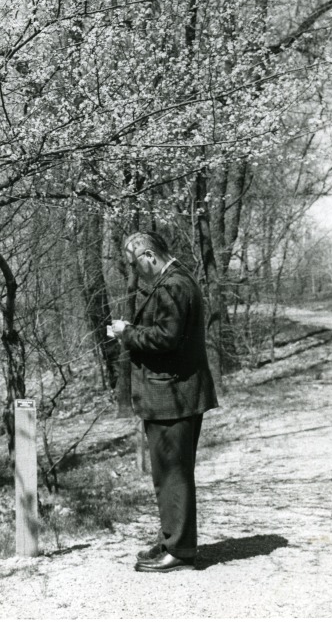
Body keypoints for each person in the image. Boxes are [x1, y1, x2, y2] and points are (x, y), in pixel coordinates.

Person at [108, 230, 218, 572]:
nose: (134, 271)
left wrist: (127, 334)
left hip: (173, 394)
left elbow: (167, 337)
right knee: (170, 472)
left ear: (149, 256)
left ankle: (180, 551)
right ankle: (173, 539)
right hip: (174, 392)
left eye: (134, 263)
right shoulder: (178, 279)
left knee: (173, 473)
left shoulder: (173, 285)